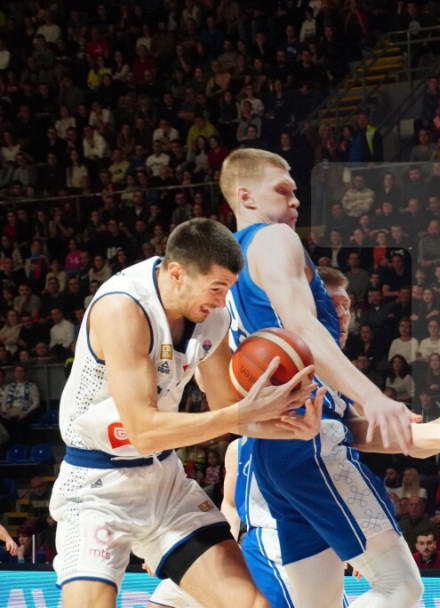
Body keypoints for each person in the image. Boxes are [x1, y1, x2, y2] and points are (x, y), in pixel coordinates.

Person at [219, 148, 440, 608]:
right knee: (402, 587)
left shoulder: (232, 273)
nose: (296, 201)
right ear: (246, 196)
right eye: (283, 190)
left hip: (282, 454)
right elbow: (301, 322)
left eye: (347, 307)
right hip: (308, 447)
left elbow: (380, 436)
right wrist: (373, 396)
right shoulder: (273, 238)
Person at [49, 218, 320, 608]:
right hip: (97, 487)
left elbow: (227, 408)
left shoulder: (213, 317)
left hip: (164, 480)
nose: (223, 300)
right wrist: (242, 414)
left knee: (251, 605)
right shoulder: (122, 308)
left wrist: (290, 426)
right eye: (217, 287)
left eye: (229, 288)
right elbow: (143, 431)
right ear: (177, 273)